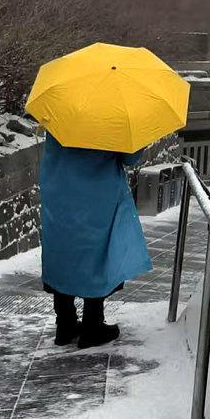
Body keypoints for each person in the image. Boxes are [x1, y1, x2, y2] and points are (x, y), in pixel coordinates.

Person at [39, 132, 151, 348]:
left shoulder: (61, 116)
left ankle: (65, 324)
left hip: (59, 189)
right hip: (97, 195)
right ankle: (92, 325)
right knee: (97, 254)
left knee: (62, 252)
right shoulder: (111, 119)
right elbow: (130, 157)